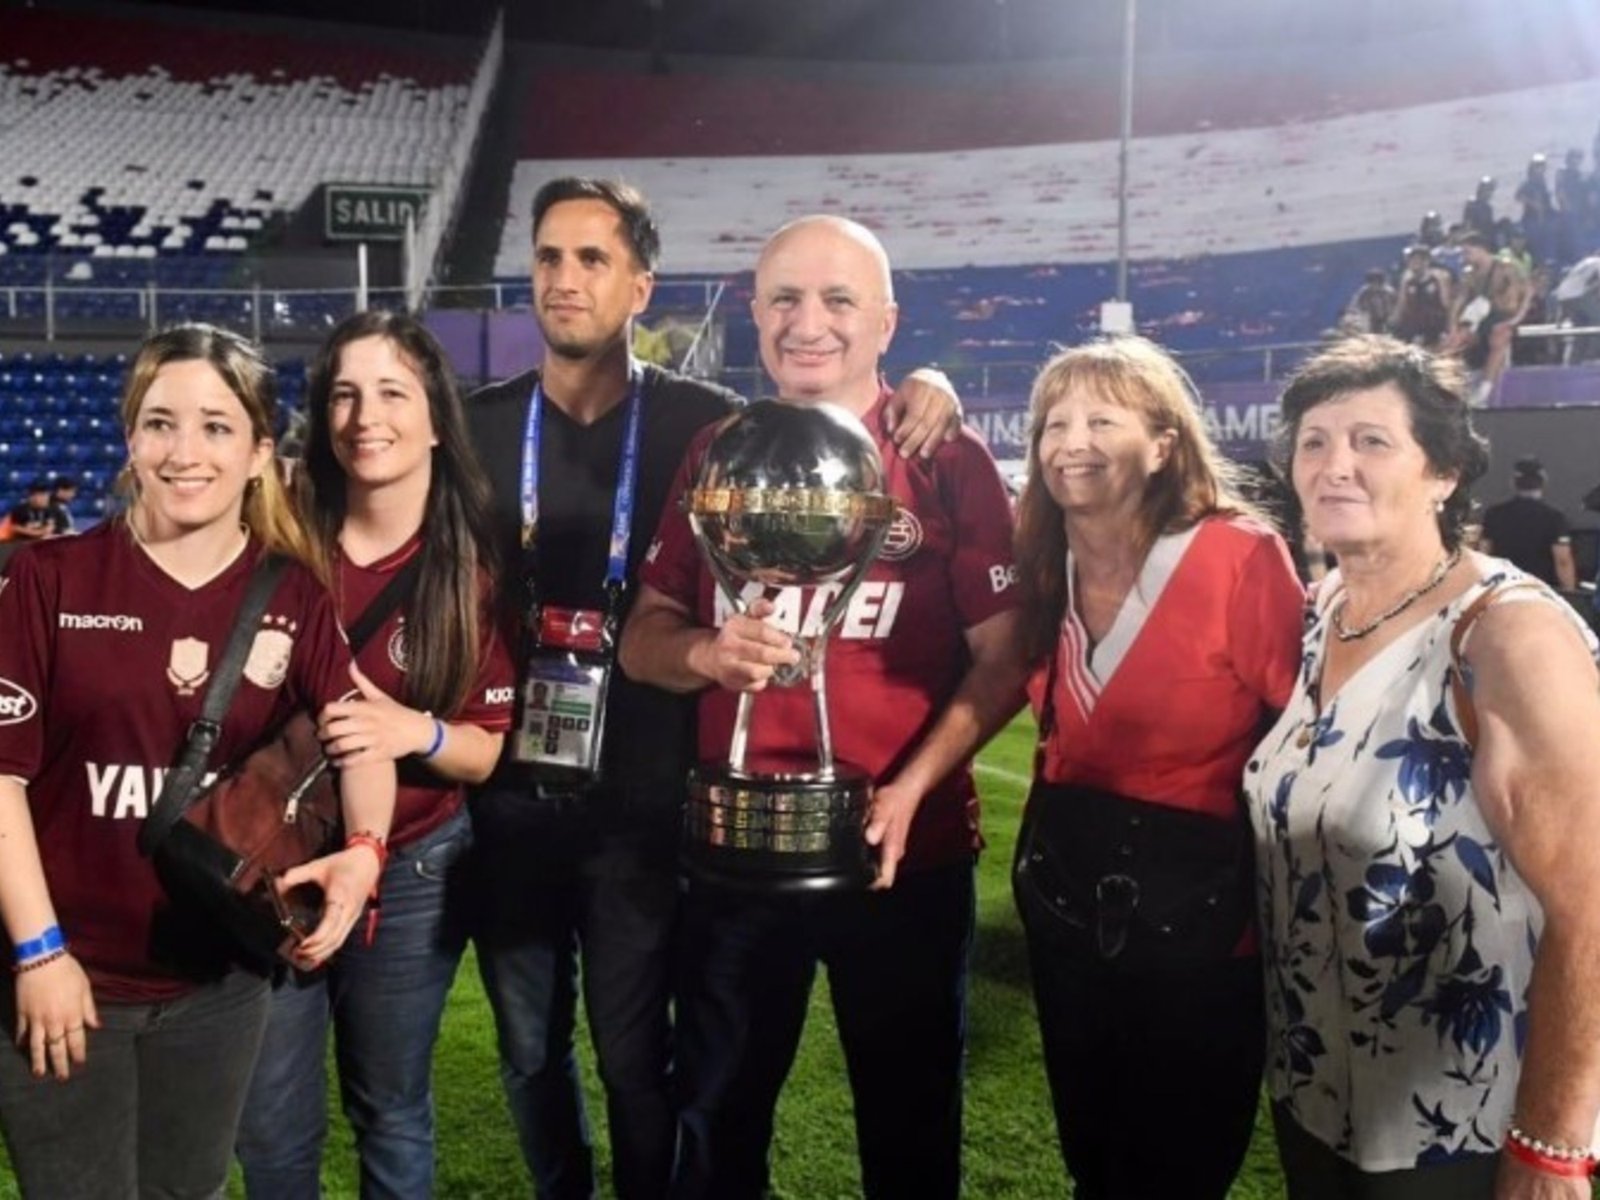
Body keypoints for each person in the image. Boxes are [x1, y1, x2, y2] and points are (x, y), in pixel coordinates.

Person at [465, 180, 962, 1200]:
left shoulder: (741, 426)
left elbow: (1006, 646)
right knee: (596, 1070)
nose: (565, 279)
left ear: (642, 286)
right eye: (549, 258)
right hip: (563, 797)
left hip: (737, 816)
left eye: (592, 258)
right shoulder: (489, 429)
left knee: (693, 1067)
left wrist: (928, 386)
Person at [620, 214, 1023, 1200]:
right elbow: (643, 636)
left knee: (910, 1126)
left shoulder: (945, 457)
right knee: (716, 1126)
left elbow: (1006, 659)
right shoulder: (718, 451)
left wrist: (910, 790)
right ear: (752, 316)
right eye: (786, 300)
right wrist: (707, 652)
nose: (810, 323)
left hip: (904, 858)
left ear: (886, 320)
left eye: (839, 299)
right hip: (738, 852)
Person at [0, 323, 395, 1198]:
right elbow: (1, 782)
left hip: (216, 980)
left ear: (259, 450)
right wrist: (37, 953)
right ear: (131, 439)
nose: (186, 452)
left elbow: (360, 737)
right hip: (67, 976)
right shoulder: (47, 580)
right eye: (161, 422)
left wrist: (365, 852)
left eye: (217, 426)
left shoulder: (294, 591)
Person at [1249, 335, 1600, 1198]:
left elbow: (1591, 903)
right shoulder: (1323, 609)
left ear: (1442, 472)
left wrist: (1551, 1141)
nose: (1336, 465)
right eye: (1315, 442)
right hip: (1319, 1099)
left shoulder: (1507, 632)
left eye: (1372, 441)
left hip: (1465, 1125)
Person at [1007, 336, 1303, 1199]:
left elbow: (1302, 734)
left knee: (1180, 1164)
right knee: (1093, 1158)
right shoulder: (1040, 558)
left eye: (1102, 418)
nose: (1072, 441)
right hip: (1071, 910)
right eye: (1053, 423)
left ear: (1166, 443)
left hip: (1202, 926)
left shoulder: (1237, 555)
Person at [234, 312, 514, 1197]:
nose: (366, 415)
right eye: (345, 393)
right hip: (272, 861)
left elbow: (489, 754)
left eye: (393, 391)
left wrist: (415, 733)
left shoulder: (474, 568)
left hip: (413, 868)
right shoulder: (274, 533)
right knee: (269, 1121)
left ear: (435, 418)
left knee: (390, 1108)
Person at [1480, 455, 1578, 591]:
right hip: (1542, 592)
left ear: (1513, 483)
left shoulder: (1494, 514)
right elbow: (1563, 560)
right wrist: (1570, 595)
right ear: (1543, 482)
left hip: (1503, 590)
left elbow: (1485, 554)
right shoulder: (1555, 517)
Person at [1453, 232, 1530, 403]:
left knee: (1498, 339)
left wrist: (1513, 321)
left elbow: (1526, 295)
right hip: (1483, 316)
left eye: (1467, 252)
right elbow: (1459, 301)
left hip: (1506, 316)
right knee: (1455, 343)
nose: (1465, 257)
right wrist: (1453, 328)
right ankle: (1456, 389)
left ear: (1481, 249)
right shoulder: (1470, 274)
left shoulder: (1506, 267)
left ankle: (1484, 392)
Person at [1392, 245, 1454, 349]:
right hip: (1414, 330)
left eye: (1418, 259)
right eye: (1411, 260)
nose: (1413, 263)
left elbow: (1446, 304)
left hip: (1435, 330)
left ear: (1426, 261)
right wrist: (1394, 323)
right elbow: (1402, 304)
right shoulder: (1407, 282)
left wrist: (1449, 329)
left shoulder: (1438, 278)